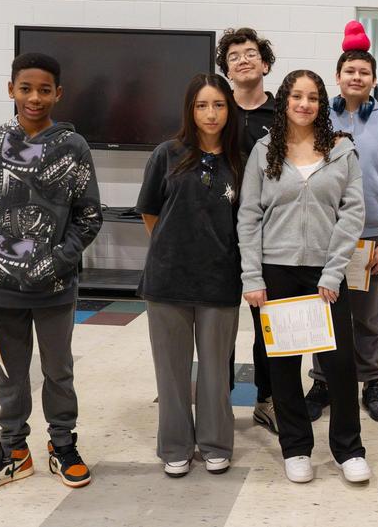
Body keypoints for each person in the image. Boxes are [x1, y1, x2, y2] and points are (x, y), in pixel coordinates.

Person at [0, 52, 101, 496]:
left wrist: (56, 261)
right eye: (26, 88)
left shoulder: (74, 147)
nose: (34, 98)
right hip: (1, 289)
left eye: (44, 90)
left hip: (56, 288)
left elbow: (89, 218)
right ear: (11, 90)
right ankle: (13, 451)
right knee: (10, 374)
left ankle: (63, 444)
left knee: (58, 371)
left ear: (58, 93)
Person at [237, 69, 371, 484]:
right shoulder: (264, 151)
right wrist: (252, 276)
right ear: (285, 101)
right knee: (282, 363)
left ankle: (349, 449)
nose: (304, 104)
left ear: (321, 104)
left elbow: (353, 213)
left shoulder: (341, 151)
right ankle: (295, 448)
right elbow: (248, 215)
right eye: (297, 96)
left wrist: (333, 271)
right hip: (275, 271)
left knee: (340, 363)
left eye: (313, 97)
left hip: (325, 272)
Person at [304, 21, 378, 424]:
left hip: (371, 239)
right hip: (325, 236)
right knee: (324, 312)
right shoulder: (318, 119)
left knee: (367, 317)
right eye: (349, 70)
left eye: (364, 72)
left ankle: (369, 381)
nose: (356, 76)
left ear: (373, 80)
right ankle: (322, 381)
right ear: (337, 76)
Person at [136, 74, 244, 478]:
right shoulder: (166, 154)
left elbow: (247, 221)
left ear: (229, 109)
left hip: (220, 280)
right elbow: (150, 213)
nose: (210, 114)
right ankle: (175, 445)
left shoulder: (241, 160)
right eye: (202, 105)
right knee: (171, 371)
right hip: (168, 281)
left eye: (218, 104)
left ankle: (216, 444)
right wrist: (175, 250)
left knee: (215, 371)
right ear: (190, 110)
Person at [215, 27, 278, 431]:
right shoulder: (217, 112)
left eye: (251, 53)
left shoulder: (283, 114)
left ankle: (267, 399)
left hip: (268, 235)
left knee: (266, 324)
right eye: (234, 56)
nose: (243, 60)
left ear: (265, 64)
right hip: (219, 234)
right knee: (219, 325)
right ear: (226, 69)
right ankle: (217, 402)